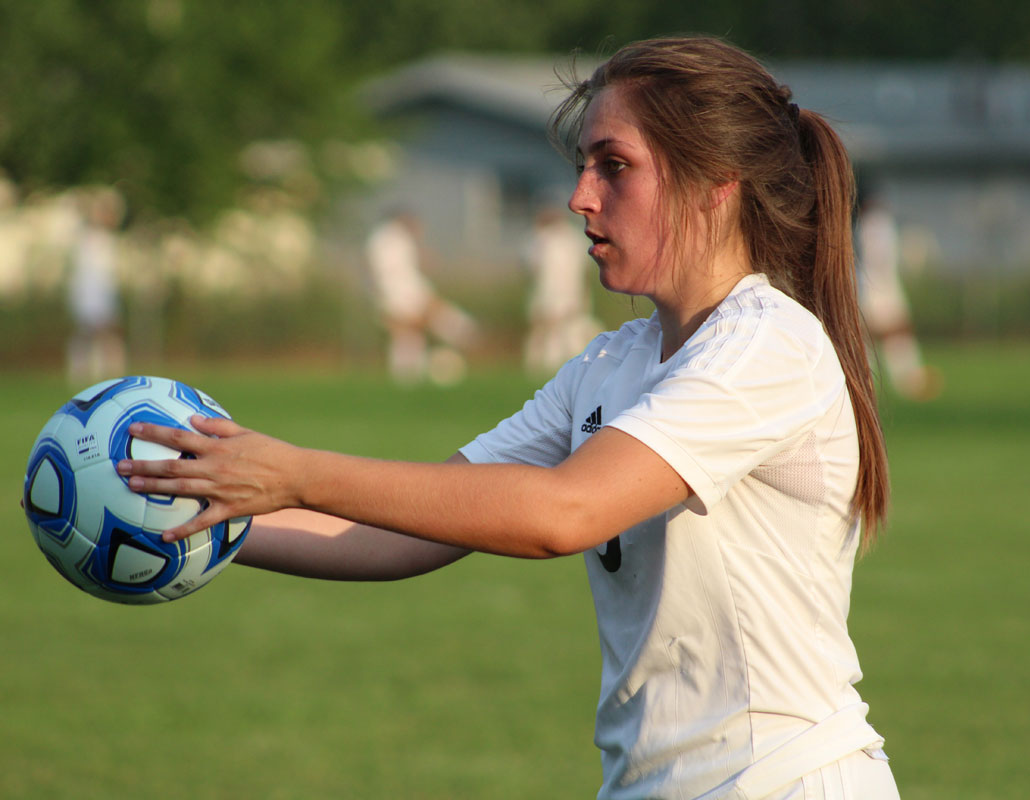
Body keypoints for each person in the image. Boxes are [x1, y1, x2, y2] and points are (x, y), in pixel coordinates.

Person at [121, 36, 899, 799]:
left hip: (782, 779)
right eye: (584, 164)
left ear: (715, 185)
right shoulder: (607, 366)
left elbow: (562, 514)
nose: (580, 195)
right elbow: (410, 525)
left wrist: (292, 472)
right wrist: (174, 523)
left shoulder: (766, 345)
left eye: (615, 165)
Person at [364, 208, 478, 384]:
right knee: (418, 326)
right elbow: (392, 272)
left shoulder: (382, 238)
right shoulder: (393, 238)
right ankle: (464, 339)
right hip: (402, 291)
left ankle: (407, 375)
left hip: (399, 291)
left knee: (408, 333)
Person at [856, 188, 941, 400]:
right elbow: (878, 258)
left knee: (871, 335)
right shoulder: (876, 223)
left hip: (872, 285)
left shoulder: (869, 222)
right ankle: (904, 380)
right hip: (877, 286)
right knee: (888, 332)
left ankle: (873, 381)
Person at [523, 203, 602, 374]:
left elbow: (531, 267)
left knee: (550, 333)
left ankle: (543, 369)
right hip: (572, 294)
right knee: (568, 331)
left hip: (549, 294)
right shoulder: (576, 238)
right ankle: (576, 368)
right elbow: (586, 268)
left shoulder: (542, 238)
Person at [66, 187, 126, 385]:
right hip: (88, 292)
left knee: (106, 331)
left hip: (104, 291)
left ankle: (108, 371)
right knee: (90, 331)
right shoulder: (87, 237)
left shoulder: (108, 239)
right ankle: (81, 370)